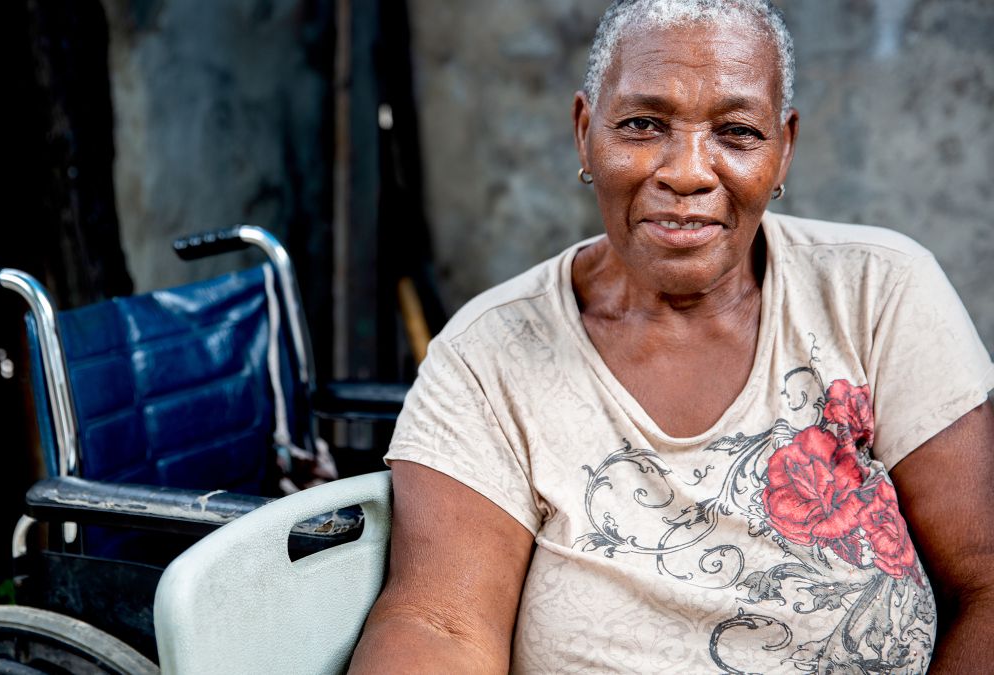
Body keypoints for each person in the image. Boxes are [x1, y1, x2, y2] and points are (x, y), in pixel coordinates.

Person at [348, 0, 994, 672]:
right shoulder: (490, 356)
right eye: (642, 124)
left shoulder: (878, 295)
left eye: (737, 132)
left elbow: (986, 582)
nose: (687, 172)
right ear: (584, 134)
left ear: (784, 149)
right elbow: (440, 624)